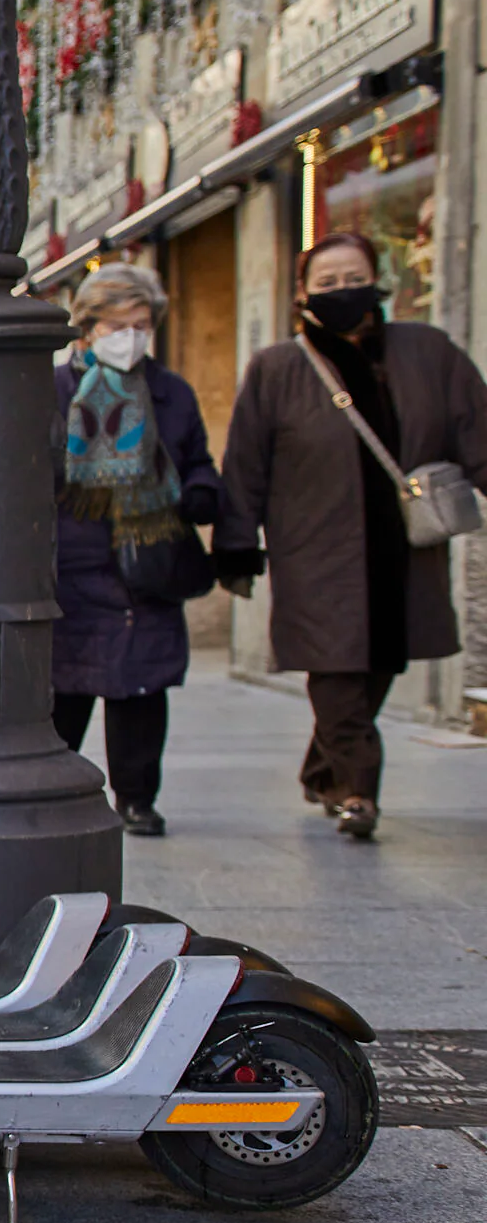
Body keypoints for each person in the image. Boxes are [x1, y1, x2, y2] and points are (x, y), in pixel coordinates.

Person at [215, 232, 487, 841]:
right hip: (315, 546)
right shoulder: (278, 368)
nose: (341, 291)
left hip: (404, 548)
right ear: (303, 293)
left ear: (377, 280)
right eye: (326, 282)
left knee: (376, 664)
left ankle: (323, 769)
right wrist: (236, 542)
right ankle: (358, 790)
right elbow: (246, 462)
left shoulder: (431, 352)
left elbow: (476, 430)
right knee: (335, 667)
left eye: (352, 277)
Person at [49, 264, 220, 838]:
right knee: (65, 688)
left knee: (142, 687)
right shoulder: (54, 392)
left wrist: (201, 491)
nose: (129, 336)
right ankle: (53, 789)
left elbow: (197, 459)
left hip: (148, 561)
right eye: (115, 324)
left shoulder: (171, 394)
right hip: (73, 563)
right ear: (88, 328)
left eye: (141, 324)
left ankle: (137, 798)